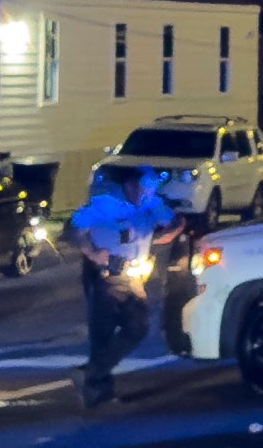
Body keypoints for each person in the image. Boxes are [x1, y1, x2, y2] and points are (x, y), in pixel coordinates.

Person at [68, 165, 184, 409]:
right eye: (144, 191)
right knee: (103, 334)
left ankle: (90, 374)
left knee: (137, 327)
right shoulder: (107, 202)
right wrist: (92, 251)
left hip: (133, 277)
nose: (146, 198)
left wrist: (163, 238)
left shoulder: (151, 203)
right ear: (131, 185)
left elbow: (175, 222)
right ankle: (98, 393)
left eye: (151, 192)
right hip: (106, 275)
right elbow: (73, 228)